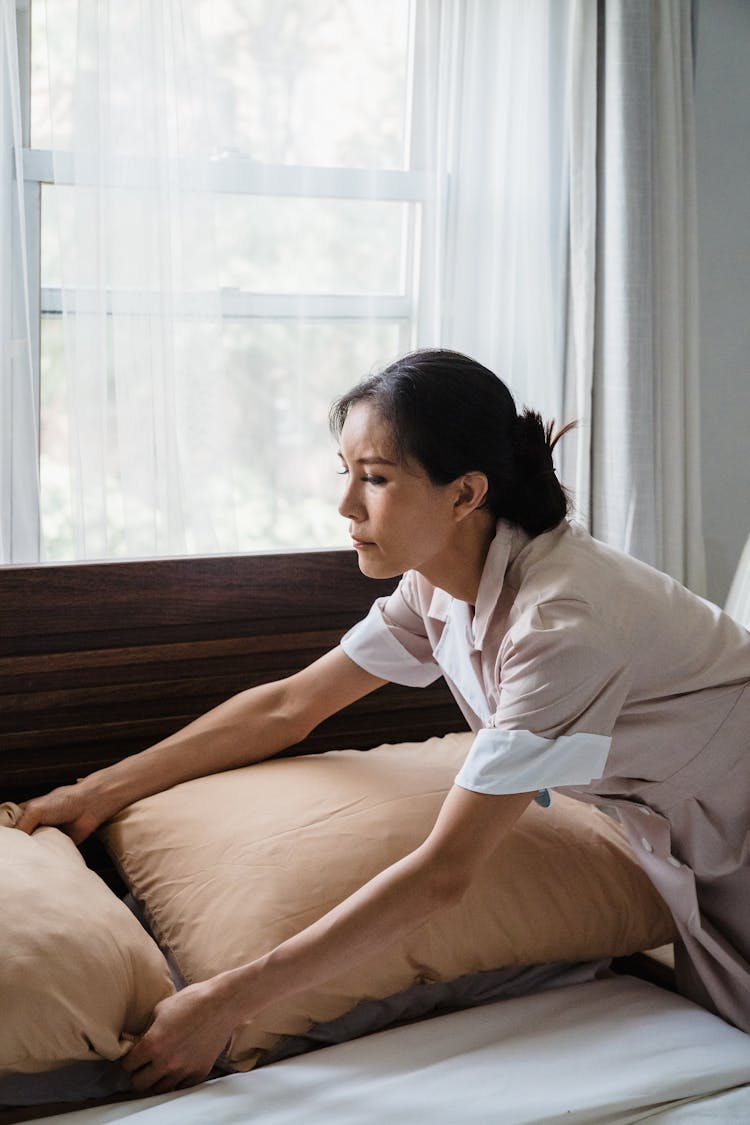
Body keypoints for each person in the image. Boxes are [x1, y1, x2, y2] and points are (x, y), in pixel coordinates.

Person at [16, 349, 750, 1094]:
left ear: (465, 493)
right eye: (347, 473)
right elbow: (290, 705)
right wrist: (92, 792)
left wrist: (227, 1000)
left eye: (375, 478)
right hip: (687, 835)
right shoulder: (437, 586)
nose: (346, 507)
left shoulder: (558, 622)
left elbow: (443, 874)